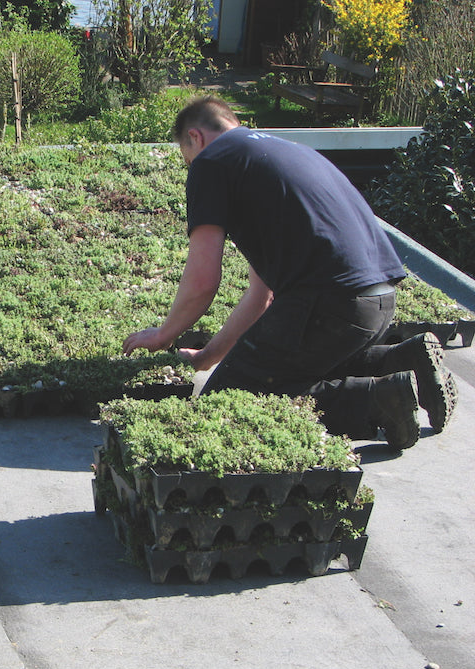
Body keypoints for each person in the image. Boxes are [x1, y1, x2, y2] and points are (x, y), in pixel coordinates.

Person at [122, 96, 457, 449]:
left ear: (197, 137)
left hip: (329, 304)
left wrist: (163, 334)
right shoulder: (282, 154)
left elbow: (203, 280)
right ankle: (405, 359)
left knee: (230, 402)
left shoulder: (212, 162)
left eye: (187, 158)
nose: (192, 167)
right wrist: (207, 358)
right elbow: (261, 296)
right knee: (296, 364)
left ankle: (380, 400)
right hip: (375, 302)